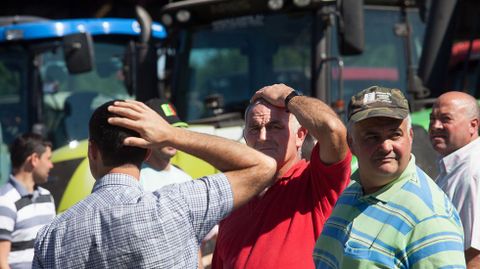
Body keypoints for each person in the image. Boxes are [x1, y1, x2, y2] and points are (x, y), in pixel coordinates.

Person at [33, 100, 276, 268]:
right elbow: (263, 166)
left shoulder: (51, 236)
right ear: (148, 152)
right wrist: (172, 134)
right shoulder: (178, 205)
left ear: (92, 151)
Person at [313, 86, 466, 268]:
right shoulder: (350, 193)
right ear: (351, 143)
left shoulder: (429, 216)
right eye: (372, 137)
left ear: (410, 136)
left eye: (395, 135)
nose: (386, 147)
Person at [212, 83, 352, 269]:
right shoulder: (235, 199)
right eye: (254, 128)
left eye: (274, 127)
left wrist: (288, 97)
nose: (262, 137)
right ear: (245, 136)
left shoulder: (316, 184)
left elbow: (333, 130)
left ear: (300, 136)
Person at [429, 91, 480, 268]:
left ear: (473, 125)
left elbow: (475, 257)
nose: (435, 126)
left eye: (445, 119)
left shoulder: (472, 173)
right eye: (432, 118)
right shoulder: (452, 167)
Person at [0, 133, 55, 269]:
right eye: (48, 159)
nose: (51, 165)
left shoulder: (47, 197)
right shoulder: (5, 201)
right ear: (34, 159)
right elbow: (2, 262)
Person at [140, 98, 192, 191]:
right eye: (164, 132)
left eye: (176, 130)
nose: (172, 138)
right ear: (145, 133)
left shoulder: (185, 178)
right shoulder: (136, 179)